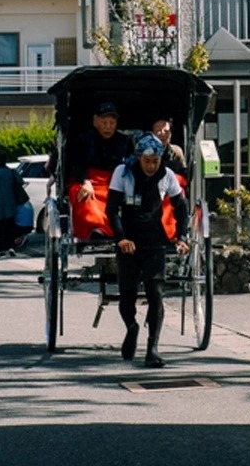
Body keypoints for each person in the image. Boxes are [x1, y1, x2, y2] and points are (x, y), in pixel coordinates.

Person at [107, 134, 190, 369]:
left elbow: (181, 207)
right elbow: (112, 209)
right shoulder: (123, 172)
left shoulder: (167, 175)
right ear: (138, 158)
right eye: (147, 161)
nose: (151, 166)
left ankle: (153, 348)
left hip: (154, 240)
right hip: (129, 240)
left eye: (155, 161)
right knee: (127, 294)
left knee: (156, 293)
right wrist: (121, 239)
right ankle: (132, 327)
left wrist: (181, 236)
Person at [65, 101, 133, 239]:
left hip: (115, 181)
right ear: (95, 121)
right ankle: (96, 229)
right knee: (85, 195)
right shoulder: (84, 139)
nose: (108, 126)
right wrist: (85, 181)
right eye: (104, 122)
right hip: (88, 179)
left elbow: (130, 166)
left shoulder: (124, 141)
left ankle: (117, 230)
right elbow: (76, 165)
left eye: (112, 123)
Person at [0, 152, 28, 256]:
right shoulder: (11, 172)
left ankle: (1, 249)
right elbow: (20, 182)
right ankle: (11, 246)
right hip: (11, 204)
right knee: (10, 227)